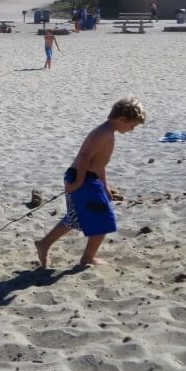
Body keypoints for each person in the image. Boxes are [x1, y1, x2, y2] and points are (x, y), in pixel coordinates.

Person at [34, 97, 147, 268]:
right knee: (104, 220)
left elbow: (100, 162)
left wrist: (105, 184)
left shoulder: (109, 131)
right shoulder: (103, 133)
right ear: (122, 119)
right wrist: (79, 182)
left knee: (74, 217)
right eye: (132, 125)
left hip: (88, 178)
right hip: (83, 178)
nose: (132, 129)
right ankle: (88, 258)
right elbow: (85, 157)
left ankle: (44, 244)